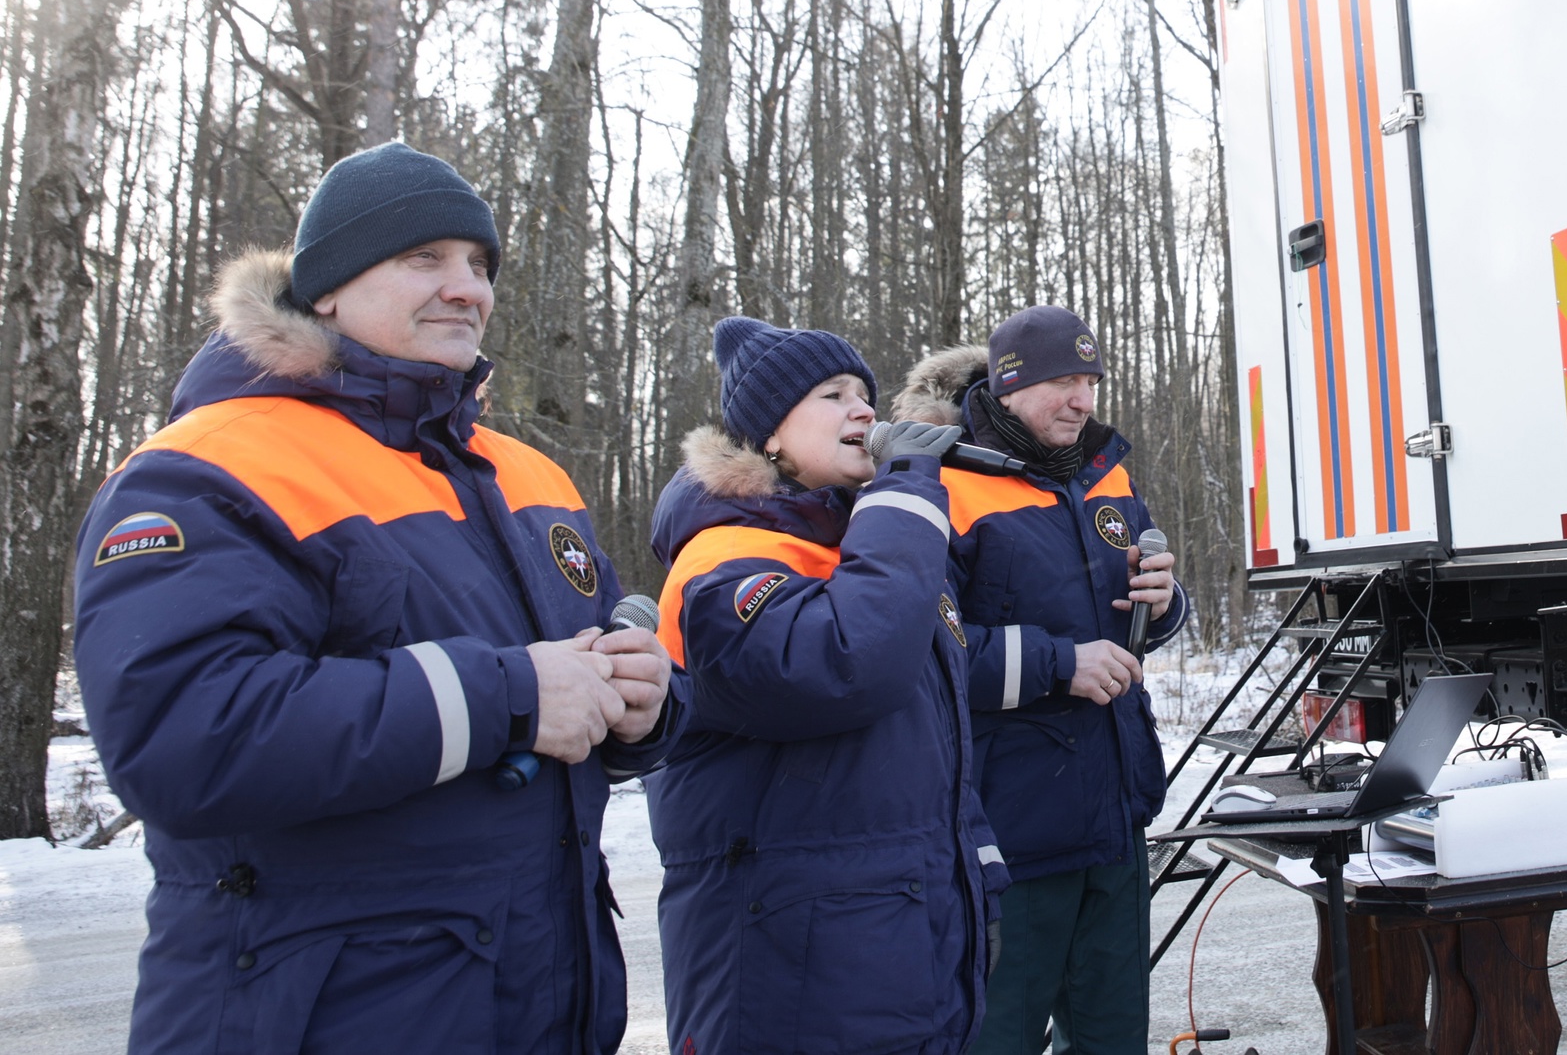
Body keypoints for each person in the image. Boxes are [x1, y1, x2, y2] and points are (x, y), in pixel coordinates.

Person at [73, 141, 677, 1055]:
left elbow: (576, 694)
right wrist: (510, 697)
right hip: (316, 1013)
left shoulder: (527, 475)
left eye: (478, 265)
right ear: (326, 288)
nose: (465, 287)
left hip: (543, 999)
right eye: (421, 258)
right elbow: (180, 737)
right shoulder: (212, 465)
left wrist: (644, 705)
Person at [647, 317, 1008, 1055]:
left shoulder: (863, 545)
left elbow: (934, 733)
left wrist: (978, 880)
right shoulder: (726, 560)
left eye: (866, 395)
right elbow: (849, 664)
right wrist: (906, 493)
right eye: (832, 394)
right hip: (793, 962)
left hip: (898, 938)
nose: (864, 411)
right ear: (769, 435)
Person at [892, 306, 1188, 1055]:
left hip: (1116, 824)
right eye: (1062, 380)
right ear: (1010, 384)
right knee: (1000, 1040)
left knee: (1114, 1041)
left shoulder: (1106, 473)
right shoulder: (946, 482)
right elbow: (925, 653)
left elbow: (1140, 621)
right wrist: (1063, 664)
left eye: (1090, 380)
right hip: (1010, 833)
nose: (1082, 399)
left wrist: (1164, 601)